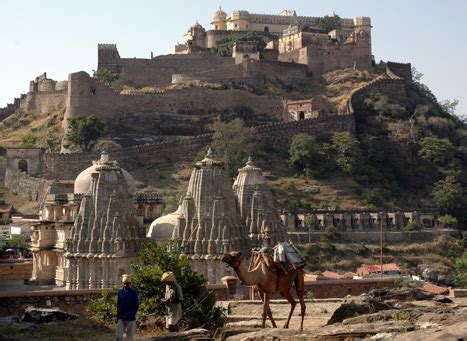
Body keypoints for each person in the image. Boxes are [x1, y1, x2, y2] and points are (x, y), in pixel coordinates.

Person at [116, 274, 139, 341]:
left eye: (128, 283)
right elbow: (118, 305)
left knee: (129, 338)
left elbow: (136, 305)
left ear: (130, 284)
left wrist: (130, 314)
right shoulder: (120, 292)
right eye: (125, 283)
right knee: (118, 337)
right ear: (123, 283)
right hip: (121, 317)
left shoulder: (133, 292)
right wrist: (117, 317)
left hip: (130, 318)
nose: (126, 285)